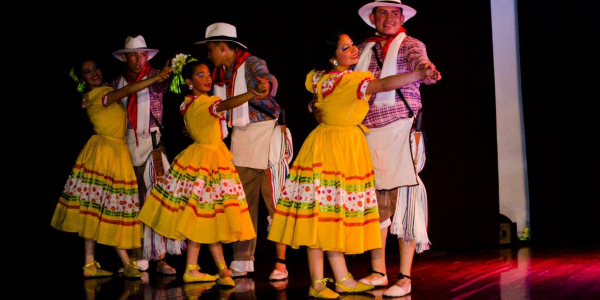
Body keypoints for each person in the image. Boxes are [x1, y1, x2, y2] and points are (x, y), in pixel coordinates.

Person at [267, 31, 440, 299]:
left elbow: (319, 98)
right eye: (345, 48)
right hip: (339, 147)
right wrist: (418, 76)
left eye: (351, 46)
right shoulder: (352, 80)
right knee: (322, 215)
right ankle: (317, 283)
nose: (353, 51)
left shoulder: (316, 77)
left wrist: (317, 106)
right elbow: (383, 86)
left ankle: (343, 278)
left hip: (328, 143)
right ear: (332, 57)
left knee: (330, 214)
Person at [138, 57, 268, 287]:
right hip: (208, 162)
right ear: (189, 82)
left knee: (204, 216)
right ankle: (213, 269)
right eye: (200, 75)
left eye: (208, 74)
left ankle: (205, 268)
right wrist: (252, 94)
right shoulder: (201, 103)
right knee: (205, 215)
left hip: (206, 157)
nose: (207, 78)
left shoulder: (187, 103)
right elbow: (223, 106)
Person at [51, 57, 172, 279]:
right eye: (87, 72)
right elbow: (127, 90)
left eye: (95, 67)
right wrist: (155, 77)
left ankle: (90, 264)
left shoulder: (101, 91)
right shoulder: (99, 95)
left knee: (97, 207)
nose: (94, 73)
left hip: (111, 150)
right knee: (111, 206)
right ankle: (126, 263)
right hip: (106, 153)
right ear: (82, 79)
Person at [352, 0, 441, 297]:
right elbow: (343, 82)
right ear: (373, 18)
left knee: (404, 199)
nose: (389, 18)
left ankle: (404, 277)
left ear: (402, 17)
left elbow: (419, 60)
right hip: (366, 132)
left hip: (402, 129)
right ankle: (378, 271)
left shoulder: (409, 44)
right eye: (382, 13)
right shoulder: (361, 49)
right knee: (375, 202)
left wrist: (425, 69)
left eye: (394, 13)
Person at [194, 22, 289, 280]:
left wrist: (265, 87)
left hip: (266, 132)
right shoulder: (221, 75)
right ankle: (243, 259)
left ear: (223, 48)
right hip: (241, 137)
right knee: (242, 202)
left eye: (211, 49)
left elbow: (267, 78)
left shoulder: (251, 63)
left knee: (274, 200)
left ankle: (280, 262)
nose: (209, 55)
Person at [110, 35, 182, 275]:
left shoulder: (155, 76)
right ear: (124, 57)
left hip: (153, 147)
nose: (139, 59)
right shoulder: (117, 82)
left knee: (157, 198)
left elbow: (162, 85)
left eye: (142, 55)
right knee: (134, 202)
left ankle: (159, 257)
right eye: (133, 54)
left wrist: (165, 74)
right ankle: (138, 254)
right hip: (128, 145)